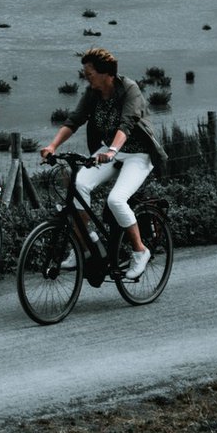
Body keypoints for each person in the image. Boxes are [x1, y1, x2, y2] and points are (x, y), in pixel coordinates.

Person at [41, 47, 166, 280]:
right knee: (78, 185)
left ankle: (140, 250)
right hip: (109, 152)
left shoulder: (129, 89)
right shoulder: (93, 93)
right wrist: (52, 146)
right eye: (85, 74)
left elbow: (127, 124)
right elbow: (74, 120)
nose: (86, 78)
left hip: (138, 154)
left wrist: (111, 150)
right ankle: (85, 245)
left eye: (89, 74)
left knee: (116, 200)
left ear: (106, 73)